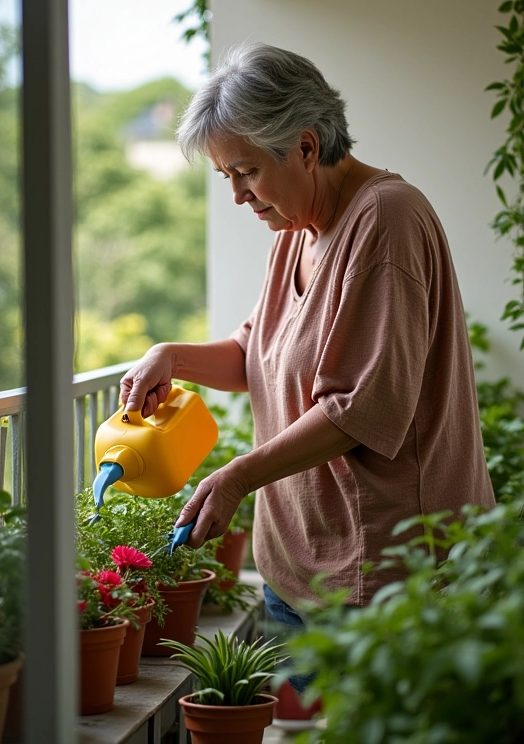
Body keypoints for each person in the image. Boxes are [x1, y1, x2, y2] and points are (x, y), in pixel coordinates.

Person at [120, 43, 495, 663]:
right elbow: (256, 352)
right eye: (226, 177)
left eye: (247, 172)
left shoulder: (387, 220)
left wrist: (238, 475)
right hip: (299, 565)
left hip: (383, 579)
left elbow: (362, 410)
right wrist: (172, 356)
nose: (239, 195)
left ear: (305, 147)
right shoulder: (297, 231)